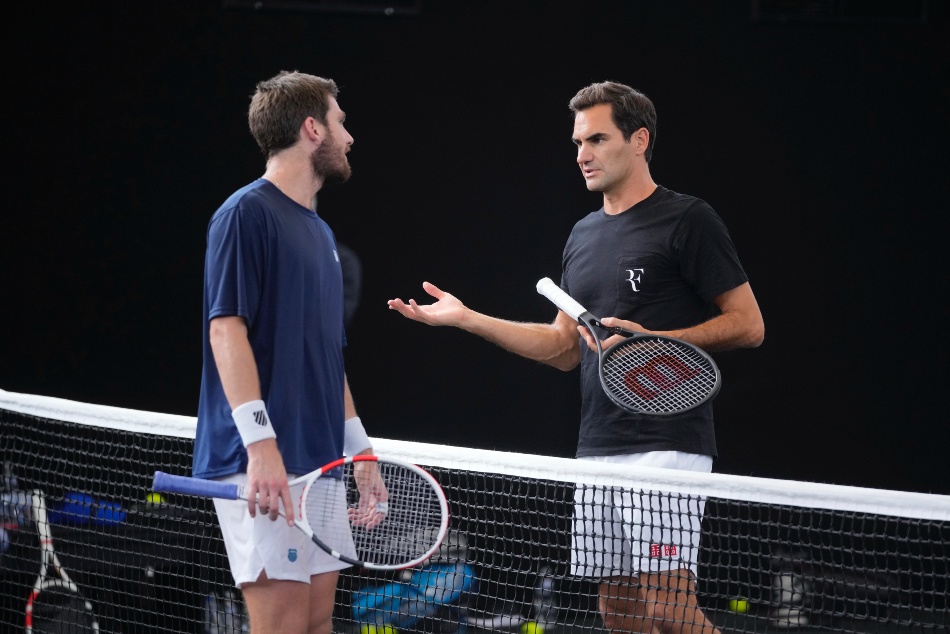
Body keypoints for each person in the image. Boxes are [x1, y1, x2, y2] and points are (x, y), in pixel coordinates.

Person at [387, 81, 764, 634]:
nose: (583, 154)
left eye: (597, 139)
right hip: (597, 448)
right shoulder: (582, 235)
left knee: (670, 609)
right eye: (578, 142)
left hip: (665, 444)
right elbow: (565, 348)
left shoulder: (688, 219)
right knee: (619, 611)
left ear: (639, 140)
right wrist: (467, 318)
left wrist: (657, 341)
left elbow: (749, 325)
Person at [194, 70, 385, 634]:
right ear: (312, 129)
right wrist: (261, 447)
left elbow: (328, 358)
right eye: (340, 122)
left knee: (317, 624)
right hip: (264, 462)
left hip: (319, 461)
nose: (349, 136)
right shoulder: (244, 215)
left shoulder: (321, 235)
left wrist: (360, 452)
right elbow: (225, 332)